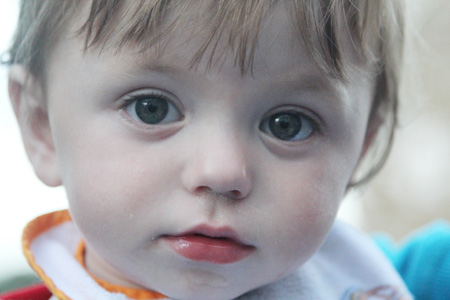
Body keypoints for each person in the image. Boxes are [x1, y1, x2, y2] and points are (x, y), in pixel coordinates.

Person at [1, 0, 412, 299]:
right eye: (152, 109)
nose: (222, 171)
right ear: (42, 127)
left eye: (288, 125)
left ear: (358, 153)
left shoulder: (376, 275)